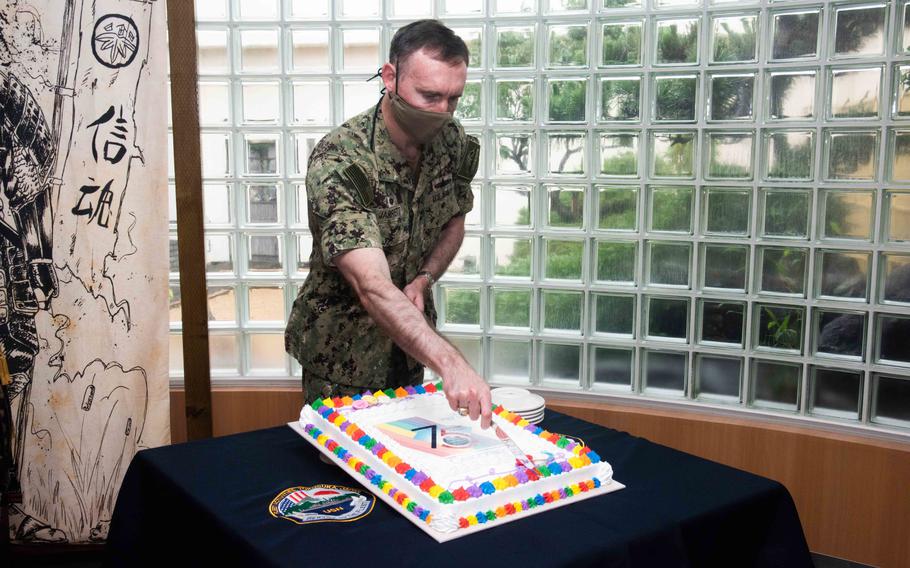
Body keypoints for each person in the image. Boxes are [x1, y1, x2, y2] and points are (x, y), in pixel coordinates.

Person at [285, 20, 492, 428]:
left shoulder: (453, 143)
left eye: (453, 99)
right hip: (341, 355)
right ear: (390, 76)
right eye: (429, 95)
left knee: (404, 466)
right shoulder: (342, 159)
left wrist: (424, 279)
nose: (441, 112)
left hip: (410, 348)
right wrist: (451, 362)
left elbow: (454, 219)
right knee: (345, 476)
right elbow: (371, 285)